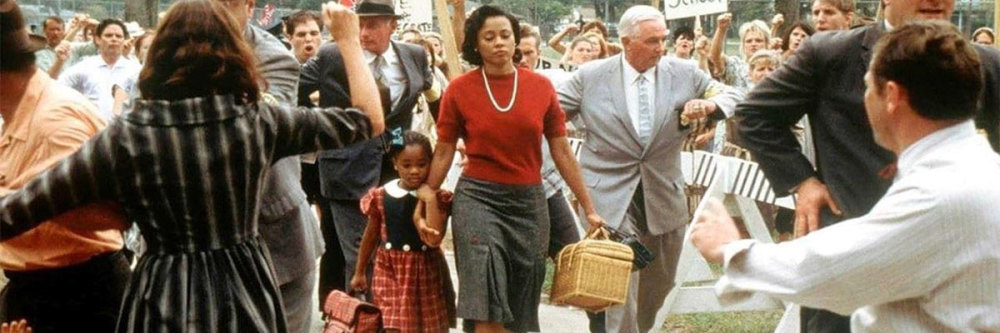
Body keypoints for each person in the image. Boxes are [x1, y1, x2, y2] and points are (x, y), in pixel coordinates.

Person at [0, 1, 384, 332]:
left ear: (159, 55)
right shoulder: (257, 122)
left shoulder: (126, 138)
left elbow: (18, 211)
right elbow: (368, 120)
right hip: (245, 286)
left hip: (163, 292)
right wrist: (348, 41)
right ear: (233, 53)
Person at [695, 20, 1000, 331]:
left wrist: (732, 250)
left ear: (892, 96)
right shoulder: (968, 168)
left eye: (868, 86)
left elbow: (830, 269)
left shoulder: (941, 192)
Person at [557, 5, 743, 333]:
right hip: (608, 195)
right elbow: (547, 116)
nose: (661, 47)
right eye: (652, 41)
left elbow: (731, 94)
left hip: (663, 193)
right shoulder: (590, 77)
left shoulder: (684, 73)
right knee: (619, 281)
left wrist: (711, 106)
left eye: (663, 39)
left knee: (658, 285)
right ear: (626, 41)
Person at [426, 6, 606, 333]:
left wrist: (589, 208)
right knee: (484, 279)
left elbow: (562, 151)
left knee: (524, 294)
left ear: (516, 40)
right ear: (475, 45)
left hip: (528, 204)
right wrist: (425, 192)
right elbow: (444, 149)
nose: (499, 43)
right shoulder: (459, 89)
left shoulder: (540, 87)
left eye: (505, 35)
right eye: (489, 37)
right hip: (478, 200)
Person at [299, 0, 441, 306]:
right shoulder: (332, 55)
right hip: (346, 171)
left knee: (395, 251)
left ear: (392, 25)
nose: (364, 32)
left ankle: (378, 317)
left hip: (398, 172)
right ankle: (367, 319)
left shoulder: (414, 55)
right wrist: (316, 128)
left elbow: (432, 93)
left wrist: (453, 134)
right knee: (361, 257)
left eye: (373, 24)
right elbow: (292, 89)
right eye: (360, 24)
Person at [0, 2, 130, 332]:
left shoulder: (53, 122)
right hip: (45, 294)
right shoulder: (27, 112)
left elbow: (105, 214)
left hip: (75, 301)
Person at [216, 0, 324, 332]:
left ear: (249, 7)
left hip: (275, 241)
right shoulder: (172, 50)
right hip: (201, 246)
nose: (214, 9)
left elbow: (254, 129)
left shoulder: (273, 58)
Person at [517, 22, 606, 333]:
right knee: (527, 275)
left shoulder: (552, 83)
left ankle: (602, 327)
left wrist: (589, 206)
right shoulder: (491, 86)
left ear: (538, 53)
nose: (522, 59)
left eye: (528, 53)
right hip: (511, 198)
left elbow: (594, 102)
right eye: (517, 53)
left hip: (549, 188)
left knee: (581, 268)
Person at [350, 131, 456, 333]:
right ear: (395, 163)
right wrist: (360, 271)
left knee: (429, 327)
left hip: (426, 272)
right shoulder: (381, 195)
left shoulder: (436, 197)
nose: (414, 171)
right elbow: (371, 235)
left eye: (422, 164)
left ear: (431, 163)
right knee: (392, 324)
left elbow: (435, 236)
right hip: (390, 270)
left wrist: (430, 200)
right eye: (406, 165)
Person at [57, 18, 141, 121]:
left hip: (125, 131)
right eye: (108, 35)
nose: (114, 39)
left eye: (118, 36)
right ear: (97, 40)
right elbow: (58, 88)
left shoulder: (135, 70)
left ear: (124, 40)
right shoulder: (84, 66)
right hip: (93, 130)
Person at [709, 14, 770, 90]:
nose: (753, 44)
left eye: (758, 40)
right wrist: (721, 29)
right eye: (749, 41)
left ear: (767, 44)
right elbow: (715, 56)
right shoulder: (736, 65)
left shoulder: (775, 69)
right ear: (743, 45)